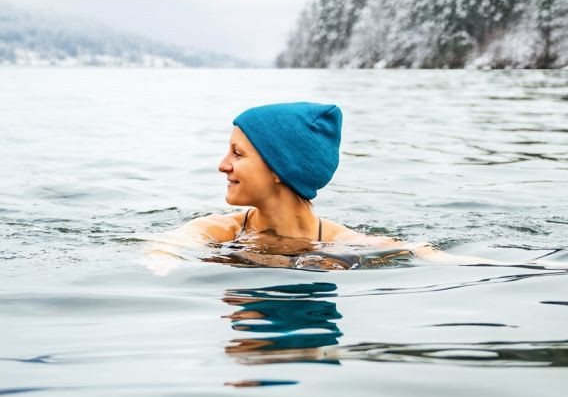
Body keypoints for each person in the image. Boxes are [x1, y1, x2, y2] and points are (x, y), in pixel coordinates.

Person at [148, 101, 480, 270]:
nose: (223, 165)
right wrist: (164, 262)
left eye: (238, 153)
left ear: (279, 169)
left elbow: (425, 254)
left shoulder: (346, 242)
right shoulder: (221, 229)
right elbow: (169, 246)